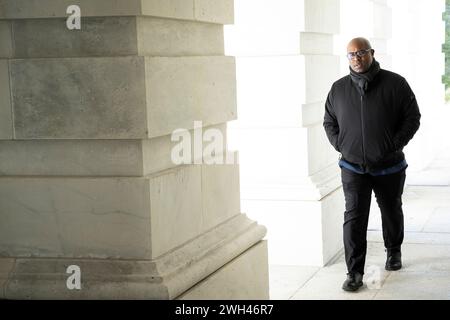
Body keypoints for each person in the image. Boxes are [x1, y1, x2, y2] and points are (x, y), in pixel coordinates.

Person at [323, 37, 421, 292]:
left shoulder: (396, 83)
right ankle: (354, 272)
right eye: (351, 54)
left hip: (389, 167)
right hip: (353, 168)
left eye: (362, 52)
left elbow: (413, 117)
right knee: (354, 219)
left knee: (391, 210)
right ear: (348, 58)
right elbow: (329, 122)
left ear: (372, 53)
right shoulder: (338, 89)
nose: (356, 58)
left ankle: (394, 251)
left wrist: (394, 144)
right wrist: (341, 145)